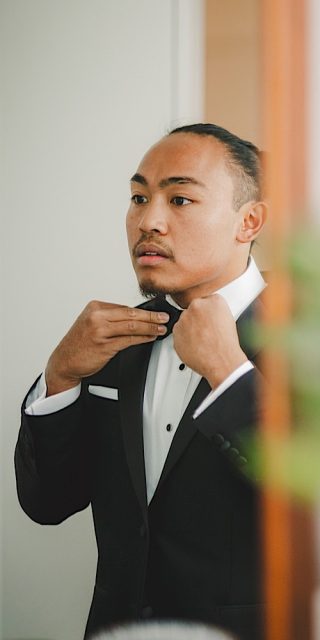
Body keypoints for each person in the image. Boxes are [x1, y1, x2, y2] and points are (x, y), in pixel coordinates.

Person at [14, 123, 269, 639]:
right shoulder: (111, 342)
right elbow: (47, 503)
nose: (148, 221)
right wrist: (60, 375)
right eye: (138, 197)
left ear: (248, 221)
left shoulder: (318, 341)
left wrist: (230, 375)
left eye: (179, 199)